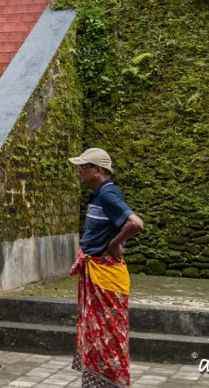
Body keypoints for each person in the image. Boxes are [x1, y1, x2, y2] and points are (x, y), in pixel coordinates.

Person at [67, 147, 145, 388]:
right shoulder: (99, 195)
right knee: (99, 336)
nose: (79, 171)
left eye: (84, 166)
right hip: (98, 274)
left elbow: (135, 223)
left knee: (108, 337)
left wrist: (114, 243)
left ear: (97, 170)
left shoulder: (109, 195)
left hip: (106, 276)